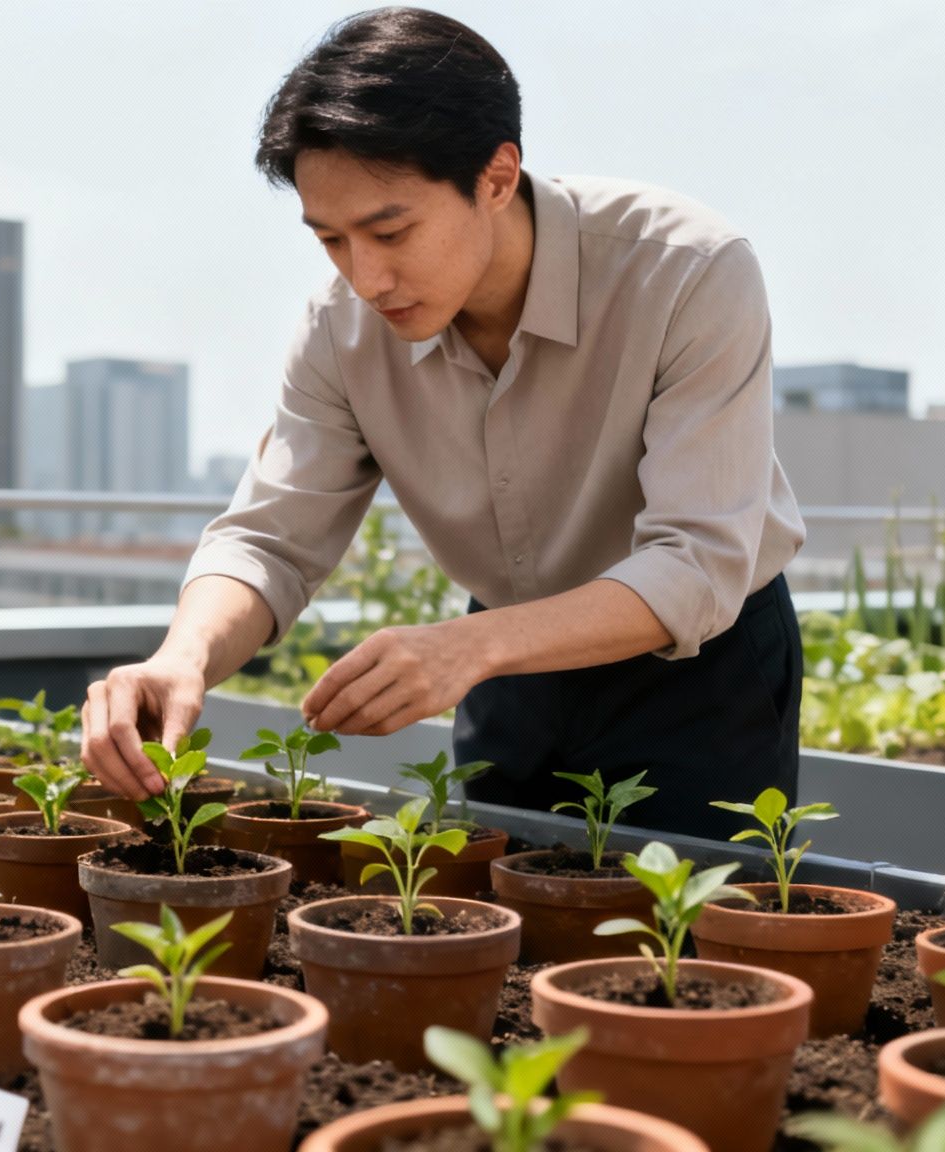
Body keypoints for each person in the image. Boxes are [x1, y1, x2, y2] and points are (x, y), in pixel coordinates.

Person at [80, 7, 805, 839]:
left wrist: (470, 650)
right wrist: (183, 657)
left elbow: (698, 563)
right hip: (500, 662)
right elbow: (272, 538)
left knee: (685, 949)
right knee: (493, 931)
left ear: (497, 177)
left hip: (701, 672)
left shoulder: (687, 270)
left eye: (391, 230)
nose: (368, 276)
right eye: (331, 241)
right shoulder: (337, 329)